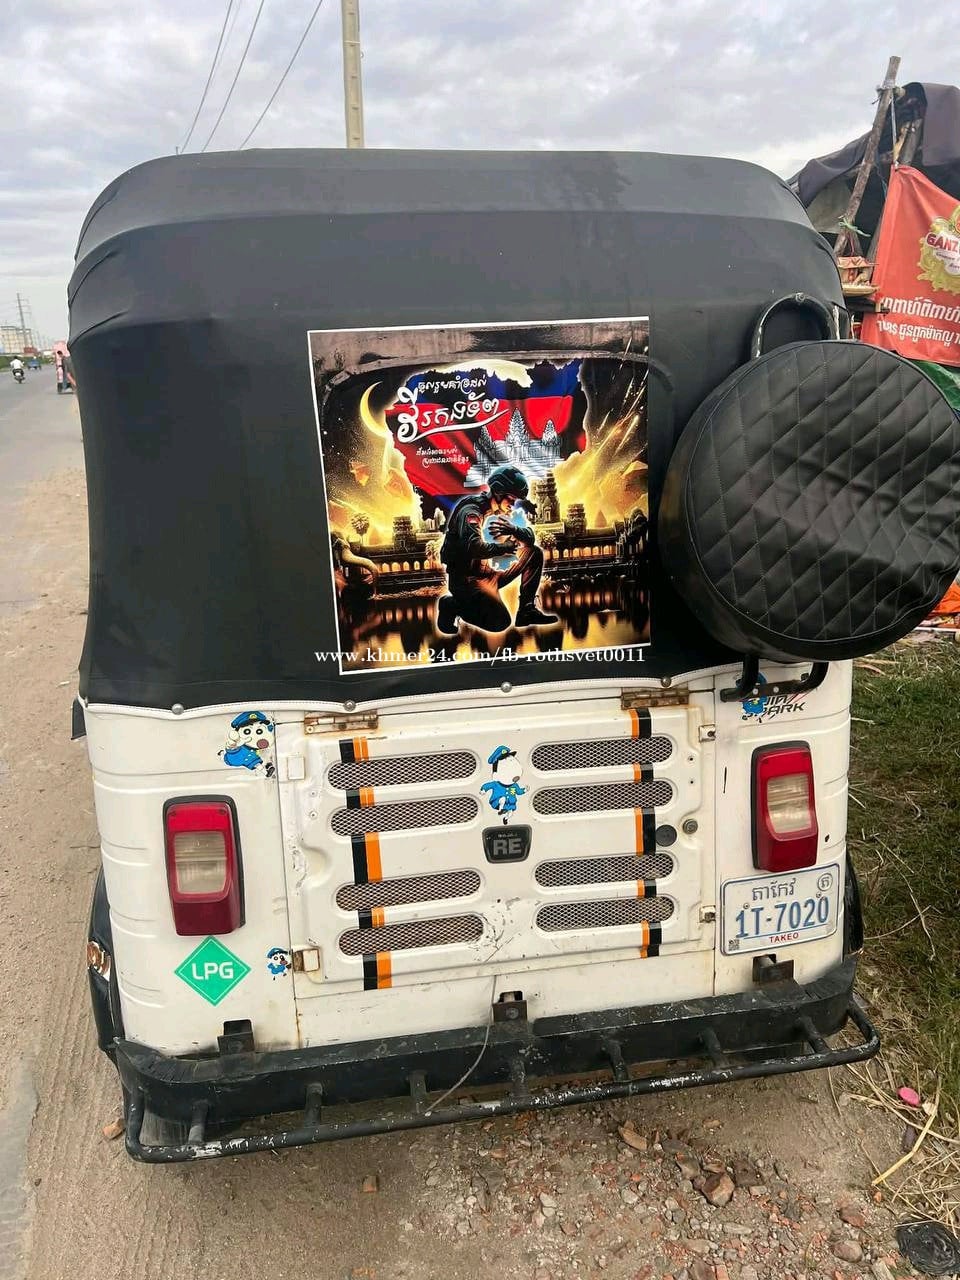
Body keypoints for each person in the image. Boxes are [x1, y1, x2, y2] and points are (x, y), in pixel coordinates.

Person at [436, 464, 557, 634]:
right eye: (511, 498)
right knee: (500, 622)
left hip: (488, 573)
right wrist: (503, 547)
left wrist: (514, 529)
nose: (513, 504)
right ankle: (452, 605)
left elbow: (530, 538)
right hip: (467, 581)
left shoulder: (498, 511)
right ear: (499, 492)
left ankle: (526, 611)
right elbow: (474, 547)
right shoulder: (471, 511)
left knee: (534, 553)